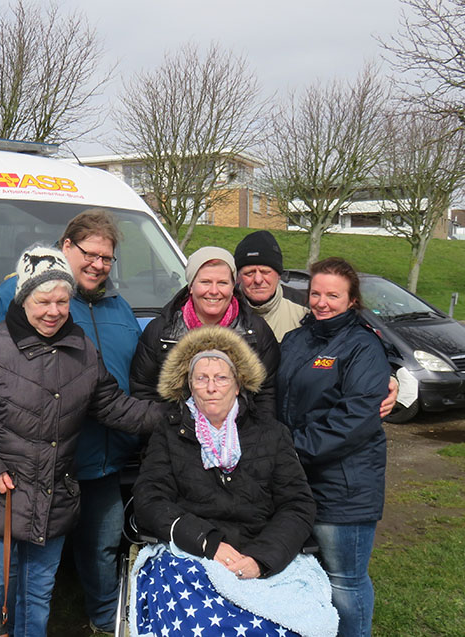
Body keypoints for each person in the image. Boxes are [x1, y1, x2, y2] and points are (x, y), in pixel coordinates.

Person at [0, 246, 174, 637]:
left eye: (62, 301)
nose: (53, 311)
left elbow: (113, 406)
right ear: (23, 299)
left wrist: (176, 415)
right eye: (43, 301)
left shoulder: (82, 349)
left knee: (37, 595)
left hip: (54, 498)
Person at [0, 209, 140, 634]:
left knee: (100, 546)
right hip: (34, 466)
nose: (98, 264)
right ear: (66, 246)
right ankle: (2, 625)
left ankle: (105, 619)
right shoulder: (11, 298)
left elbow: (124, 390)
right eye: (90, 254)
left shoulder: (120, 309)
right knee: (13, 570)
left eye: (107, 258)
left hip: (102, 461)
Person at [130, 325, 338, 637]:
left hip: (260, 550)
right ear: (189, 386)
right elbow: (150, 499)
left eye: (221, 378)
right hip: (193, 553)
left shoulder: (271, 434)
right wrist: (206, 542)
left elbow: (297, 505)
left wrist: (261, 559)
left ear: (238, 385)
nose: (211, 387)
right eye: (201, 378)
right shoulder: (169, 434)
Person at [276, 257, 390, 637]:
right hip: (299, 480)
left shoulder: (363, 346)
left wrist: (291, 449)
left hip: (344, 486)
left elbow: (354, 418)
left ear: (352, 300)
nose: (321, 303)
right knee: (311, 574)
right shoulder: (297, 339)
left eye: (333, 296)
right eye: (315, 294)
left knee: (346, 581)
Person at [233, 229, 399, 417]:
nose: (258, 279)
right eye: (249, 273)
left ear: (278, 273)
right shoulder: (224, 310)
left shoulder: (306, 308)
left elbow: (356, 340)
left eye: (265, 271)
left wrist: (389, 376)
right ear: (238, 276)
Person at [130, 246, 279, 414]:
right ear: (191, 286)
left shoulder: (256, 331)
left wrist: (252, 427)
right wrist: (171, 424)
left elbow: (267, 392)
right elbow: (143, 391)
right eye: (205, 282)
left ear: (233, 287)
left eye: (222, 283)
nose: (214, 291)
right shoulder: (161, 331)